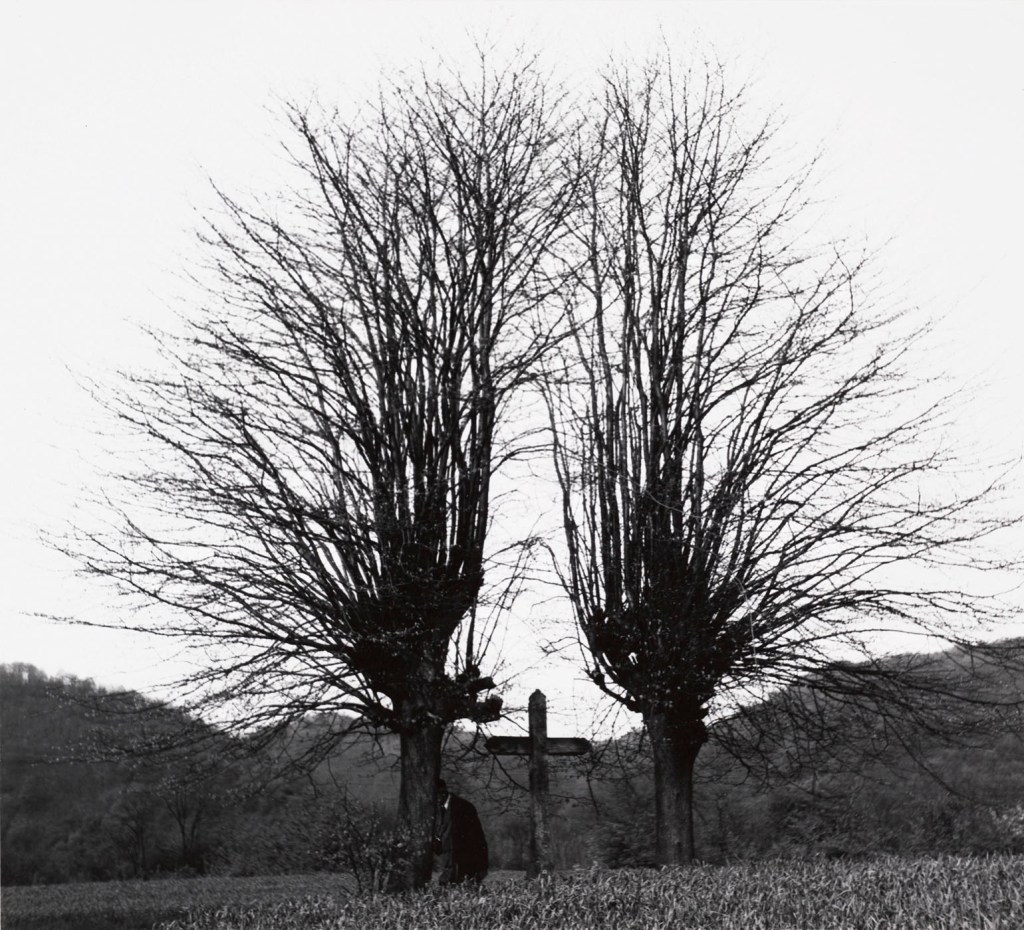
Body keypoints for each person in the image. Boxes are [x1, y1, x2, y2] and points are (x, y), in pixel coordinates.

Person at [433, 778, 488, 885]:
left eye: (437, 794)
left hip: (464, 866)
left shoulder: (463, 807)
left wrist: (482, 866)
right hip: (448, 866)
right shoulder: (437, 810)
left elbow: (477, 838)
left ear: (443, 791)